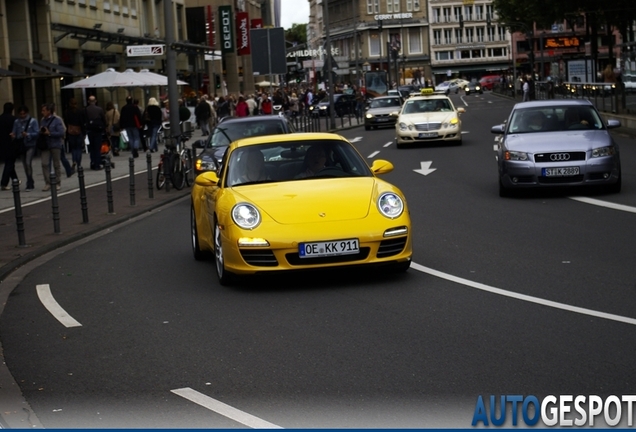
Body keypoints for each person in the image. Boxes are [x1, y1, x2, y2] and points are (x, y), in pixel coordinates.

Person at [10, 105, 39, 191]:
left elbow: (37, 133)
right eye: (21, 114)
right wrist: (13, 135)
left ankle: (29, 182)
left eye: (24, 114)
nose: (22, 116)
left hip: (30, 144)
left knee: (27, 163)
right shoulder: (17, 122)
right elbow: (14, 132)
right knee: (24, 165)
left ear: (27, 113)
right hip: (21, 145)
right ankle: (30, 179)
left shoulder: (33, 121)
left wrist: (28, 135)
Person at [39, 103, 65, 191]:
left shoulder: (57, 120)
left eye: (44, 111)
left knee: (56, 164)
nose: (42, 112)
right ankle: (48, 182)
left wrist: (49, 133)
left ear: (49, 111)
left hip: (55, 144)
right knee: (44, 163)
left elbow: (61, 133)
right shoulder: (42, 120)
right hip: (45, 145)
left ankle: (58, 182)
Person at [84, 95, 107, 168]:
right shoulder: (99, 109)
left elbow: (84, 120)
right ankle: (97, 163)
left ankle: (92, 162)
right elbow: (104, 120)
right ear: (95, 101)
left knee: (92, 147)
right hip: (98, 130)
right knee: (97, 147)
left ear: (88, 101)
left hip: (90, 130)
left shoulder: (86, 110)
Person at [64, 98, 87, 166]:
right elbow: (82, 122)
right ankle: (78, 163)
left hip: (71, 132)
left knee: (73, 148)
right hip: (79, 131)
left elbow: (66, 122)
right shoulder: (80, 111)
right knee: (79, 148)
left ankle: (74, 160)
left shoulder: (67, 112)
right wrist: (84, 132)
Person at [0, 102, 17, 190]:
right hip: (11, 144)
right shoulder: (13, 119)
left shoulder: (0, 118)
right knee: (9, 163)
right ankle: (4, 183)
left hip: (1, 144)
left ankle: (15, 179)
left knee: (9, 163)